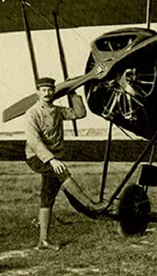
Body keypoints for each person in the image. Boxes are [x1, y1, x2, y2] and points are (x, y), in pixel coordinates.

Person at [24, 77, 103, 250]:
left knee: (48, 198)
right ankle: (91, 205)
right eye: (43, 90)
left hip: (54, 158)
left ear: (54, 92)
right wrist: (51, 160)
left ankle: (43, 241)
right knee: (62, 173)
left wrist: (72, 92)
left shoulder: (57, 111)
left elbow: (79, 113)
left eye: (50, 90)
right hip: (37, 157)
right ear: (37, 92)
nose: (47, 93)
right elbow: (33, 140)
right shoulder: (32, 113)